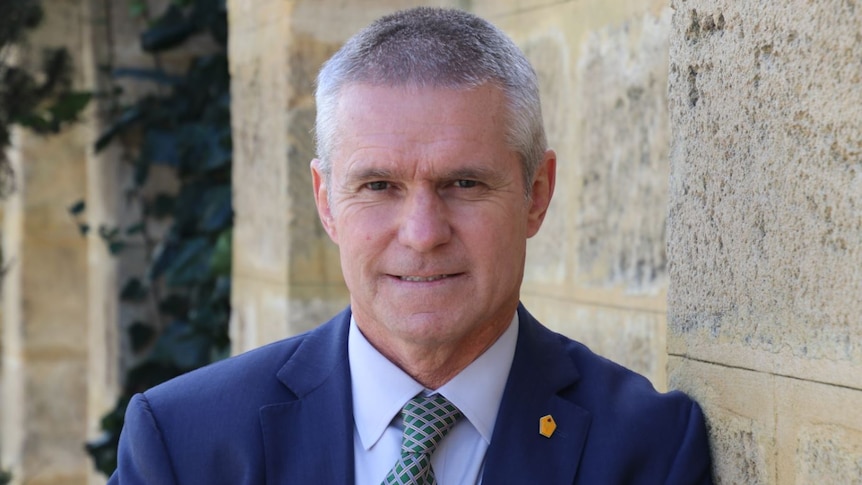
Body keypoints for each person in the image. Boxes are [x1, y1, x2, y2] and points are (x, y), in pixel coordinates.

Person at [107, 7, 713, 485]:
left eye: (464, 183)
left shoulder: (646, 447)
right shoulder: (183, 444)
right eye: (378, 186)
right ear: (325, 200)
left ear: (535, 194)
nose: (423, 234)